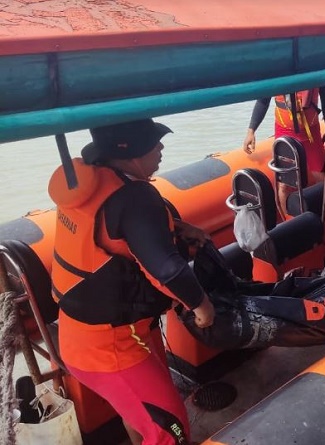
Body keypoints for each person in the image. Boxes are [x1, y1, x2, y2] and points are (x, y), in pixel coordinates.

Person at [49, 119, 215, 445]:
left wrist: (177, 226)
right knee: (171, 428)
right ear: (132, 152)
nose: (162, 149)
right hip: (109, 347)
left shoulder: (95, 177)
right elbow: (167, 269)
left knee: (140, 412)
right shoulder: (136, 198)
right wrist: (202, 307)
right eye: (155, 143)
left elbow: (113, 230)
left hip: (79, 333)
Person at [243, 87, 325, 213]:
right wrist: (251, 131)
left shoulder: (315, 69)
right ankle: (290, 221)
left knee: (321, 176)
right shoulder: (277, 72)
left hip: (310, 132)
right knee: (284, 185)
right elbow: (263, 101)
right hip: (284, 131)